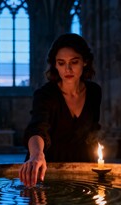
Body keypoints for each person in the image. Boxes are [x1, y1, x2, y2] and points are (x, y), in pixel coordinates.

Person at [19, 33, 102, 187]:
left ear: (85, 62)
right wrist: (36, 155)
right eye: (61, 63)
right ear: (55, 65)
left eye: (74, 62)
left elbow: (92, 133)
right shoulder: (45, 94)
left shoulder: (94, 92)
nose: (68, 69)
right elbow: (37, 128)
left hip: (82, 166)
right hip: (46, 167)